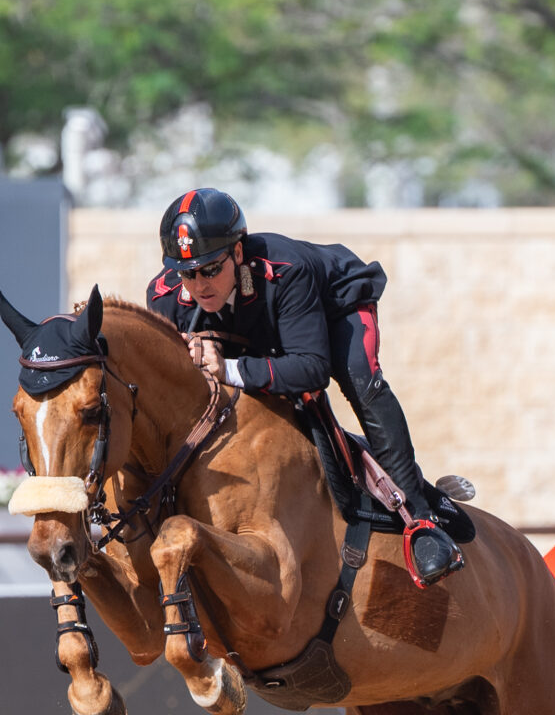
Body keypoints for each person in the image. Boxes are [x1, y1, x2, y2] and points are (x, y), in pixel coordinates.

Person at [146, 187, 464, 586]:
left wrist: (226, 367)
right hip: (261, 324)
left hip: (334, 305)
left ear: (237, 253)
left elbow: (312, 369)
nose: (199, 285)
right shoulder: (164, 298)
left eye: (210, 269)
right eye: (187, 273)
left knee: (361, 381)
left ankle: (421, 520)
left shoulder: (286, 271)